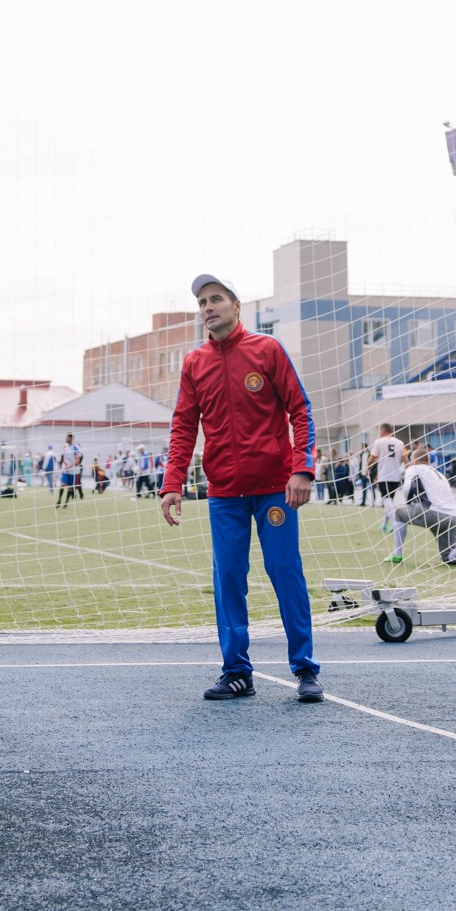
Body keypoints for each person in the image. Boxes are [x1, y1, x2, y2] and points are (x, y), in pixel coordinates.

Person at [163, 273, 321, 705]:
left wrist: (301, 468)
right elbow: (183, 426)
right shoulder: (194, 363)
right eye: (202, 302)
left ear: (236, 307)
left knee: (285, 574)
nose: (208, 307)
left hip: (275, 491)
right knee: (229, 579)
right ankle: (236, 672)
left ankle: (305, 669)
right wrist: (172, 483)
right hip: (225, 494)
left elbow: (300, 410)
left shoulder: (267, 350)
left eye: (216, 299)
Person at [385, 441, 456, 566]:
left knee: (399, 512)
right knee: (448, 557)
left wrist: (409, 504)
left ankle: (397, 555)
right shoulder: (439, 474)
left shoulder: (413, 468)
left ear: (414, 460)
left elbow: (407, 488)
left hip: (433, 512)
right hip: (453, 516)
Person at [370, 425, 406, 523]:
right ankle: (384, 525)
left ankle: (396, 522)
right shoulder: (400, 443)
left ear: (383, 430)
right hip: (396, 476)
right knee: (389, 501)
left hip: (384, 475)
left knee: (386, 500)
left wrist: (367, 468)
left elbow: (372, 458)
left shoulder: (379, 442)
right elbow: (405, 459)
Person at [54, 434, 84, 509]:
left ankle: (66, 503)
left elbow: (77, 460)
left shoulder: (75, 447)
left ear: (71, 438)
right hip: (65, 470)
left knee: (70, 487)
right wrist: (63, 465)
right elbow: (63, 456)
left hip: (72, 470)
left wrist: (70, 466)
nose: (66, 439)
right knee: (63, 484)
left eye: (67, 437)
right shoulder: (65, 447)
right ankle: (59, 501)